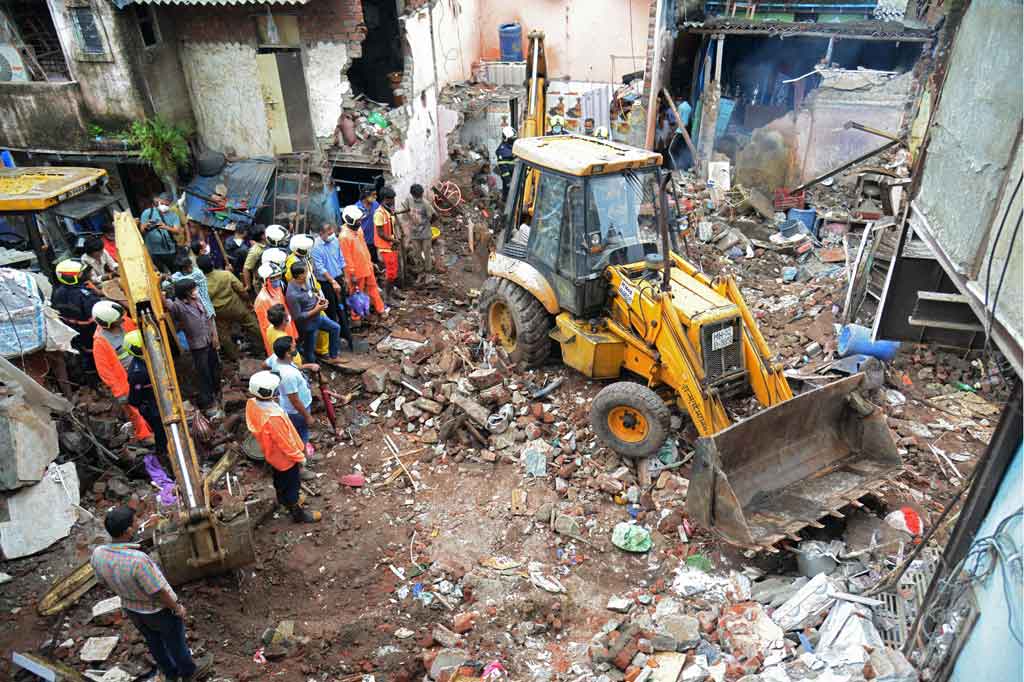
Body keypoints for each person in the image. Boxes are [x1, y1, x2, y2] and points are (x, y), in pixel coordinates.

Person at [91, 506, 212, 681]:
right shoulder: (138, 560)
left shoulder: (98, 554)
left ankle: (170, 673)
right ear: (128, 531)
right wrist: (176, 608)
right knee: (175, 641)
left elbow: (102, 581)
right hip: (157, 611)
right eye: (135, 521)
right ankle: (189, 672)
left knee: (154, 641)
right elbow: (158, 591)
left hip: (132, 609)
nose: (139, 523)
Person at [245, 371, 322, 523]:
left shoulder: (252, 404)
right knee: (292, 484)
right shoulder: (273, 418)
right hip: (285, 458)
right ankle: (297, 513)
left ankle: (283, 500)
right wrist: (300, 458)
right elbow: (286, 443)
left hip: (271, 453)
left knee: (279, 480)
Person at [92, 301, 154, 444]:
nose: (122, 319)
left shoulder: (125, 322)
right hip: (125, 380)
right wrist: (119, 392)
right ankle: (145, 435)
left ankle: (156, 426)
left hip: (143, 369)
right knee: (134, 410)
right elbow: (105, 371)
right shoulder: (101, 342)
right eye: (118, 319)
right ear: (108, 323)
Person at [165, 279, 222, 418]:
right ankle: (209, 401)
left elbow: (208, 318)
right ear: (186, 293)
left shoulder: (198, 300)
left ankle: (217, 391)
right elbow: (166, 305)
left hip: (208, 340)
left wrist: (214, 336)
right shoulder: (178, 306)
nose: (196, 291)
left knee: (214, 367)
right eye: (193, 289)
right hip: (198, 346)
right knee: (203, 374)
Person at [199, 255, 261, 362]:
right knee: (252, 325)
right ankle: (263, 344)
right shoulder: (225, 274)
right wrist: (248, 301)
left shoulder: (201, 285)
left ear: (200, 269)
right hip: (236, 307)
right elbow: (241, 289)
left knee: (224, 335)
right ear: (212, 264)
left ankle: (235, 357)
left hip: (219, 313)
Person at [265, 335, 320, 455]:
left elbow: (264, 365)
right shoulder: (288, 375)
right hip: (297, 411)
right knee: (302, 431)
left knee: (296, 429)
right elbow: (295, 401)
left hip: (290, 405)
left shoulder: (276, 358)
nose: (296, 349)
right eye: (294, 348)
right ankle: (303, 453)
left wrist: (309, 365)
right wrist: (307, 417)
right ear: (287, 354)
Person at [285, 262, 345, 367]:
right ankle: (312, 369)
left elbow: (311, 293)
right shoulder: (292, 295)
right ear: (300, 275)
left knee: (335, 328)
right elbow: (298, 317)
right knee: (310, 351)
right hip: (308, 325)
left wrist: (319, 299)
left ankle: (333, 357)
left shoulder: (305, 281)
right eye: (306, 271)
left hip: (318, 317)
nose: (308, 273)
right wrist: (317, 309)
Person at [123, 329, 169, 464]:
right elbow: (135, 398)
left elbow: (134, 399)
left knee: (163, 430)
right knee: (160, 432)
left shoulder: (146, 363)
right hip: (152, 406)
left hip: (159, 401)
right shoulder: (138, 371)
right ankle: (163, 455)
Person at [311, 222, 356, 351]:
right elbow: (320, 268)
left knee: (342, 307)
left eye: (332, 233)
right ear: (321, 233)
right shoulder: (316, 247)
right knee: (331, 310)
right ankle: (334, 340)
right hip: (326, 283)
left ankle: (346, 333)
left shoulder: (335, 241)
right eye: (328, 233)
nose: (331, 235)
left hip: (338, 278)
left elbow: (341, 259)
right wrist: (332, 282)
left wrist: (345, 277)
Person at [52, 259, 103, 370]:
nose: (86, 274)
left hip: (72, 332)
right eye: (82, 273)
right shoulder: (85, 295)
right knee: (95, 355)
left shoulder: (58, 292)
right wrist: (97, 293)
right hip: (90, 332)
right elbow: (99, 312)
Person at [339, 205, 386, 315]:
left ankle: (380, 309)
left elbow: (364, 247)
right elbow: (346, 258)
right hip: (356, 272)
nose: (360, 222)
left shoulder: (358, 230)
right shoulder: (344, 237)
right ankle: (356, 317)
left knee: (373, 287)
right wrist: (352, 274)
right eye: (358, 221)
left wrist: (370, 262)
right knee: (355, 294)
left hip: (366, 266)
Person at [254, 258, 293, 357]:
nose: (277, 280)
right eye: (273, 278)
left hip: (286, 326)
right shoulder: (261, 300)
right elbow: (266, 326)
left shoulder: (278, 289)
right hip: (277, 336)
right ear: (265, 280)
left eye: (278, 276)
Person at [140, 194, 183, 273]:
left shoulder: (173, 216)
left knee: (175, 272)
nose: (164, 206)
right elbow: (141, 230)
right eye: (162, 203)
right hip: (153, 251)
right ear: (159, 201)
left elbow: (177, 231)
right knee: (159, 274)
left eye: (167, 205)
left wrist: (165, 227)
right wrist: (147, 225)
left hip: (169, 250)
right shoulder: (148, 213)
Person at [373, 186, 400, 298]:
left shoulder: (388, 210)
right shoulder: (379, 213)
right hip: (385, 247)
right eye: (391, 199)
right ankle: (387, 296)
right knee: (390, 274)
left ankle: (392, 292)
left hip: (391, 245)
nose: (393, 201)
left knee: (394, 271)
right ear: (385, 199)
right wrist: (394, 240)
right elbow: (380, 233)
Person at [170, 254, 215, 319]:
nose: (191, 268)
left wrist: (170, 279)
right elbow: (171, 281)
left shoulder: (197, 273)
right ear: (182, 269)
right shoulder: (178, 275)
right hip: (195, 309)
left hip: (206, 307)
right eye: (187, 267)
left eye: (191, 266)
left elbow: (184, 280)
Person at [403, 184, 435, 274]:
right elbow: (405, 210)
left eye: (420, 195)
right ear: (412, 195)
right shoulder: (408, 200)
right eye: (417, 196)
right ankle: (420, 267)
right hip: (414, 233)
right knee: (417, 252)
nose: (419, 198)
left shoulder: (426, 204)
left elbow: (434, 216)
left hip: (425, 233)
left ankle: (428, 269)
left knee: (427, 251)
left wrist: (427, 224)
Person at [352, 188, 380, 265]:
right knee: (366, 262)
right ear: (366, 195)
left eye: (375, 194)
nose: (376, 196)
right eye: (373, 195)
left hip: (374, 239)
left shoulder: (375, 204)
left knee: (375, 260)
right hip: (362, 240)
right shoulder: (357, 207)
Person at [241, 225, 267, 294]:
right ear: (262, 236)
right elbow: (246, 268)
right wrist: (248, 286)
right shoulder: (254, 251)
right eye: (265, 232)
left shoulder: (267, 243)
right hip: (261, 283)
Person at [496, 126, 516, 202]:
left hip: (515, 175)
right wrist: (508, 181)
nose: (514, 140)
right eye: (512, 139)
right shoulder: (502, 150)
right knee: (508, 196)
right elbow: (503, 168)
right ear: (506, 138)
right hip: (509, 178)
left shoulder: (512, 146)